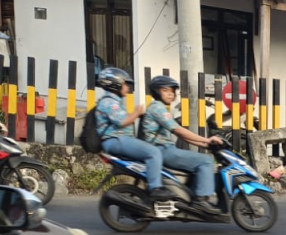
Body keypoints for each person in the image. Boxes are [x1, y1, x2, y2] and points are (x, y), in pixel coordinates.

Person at [141, 75, 222, 216]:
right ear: (157, 91)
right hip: (163, 151)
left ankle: (190, 196)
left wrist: (206, 143)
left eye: (172, 91)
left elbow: (183, 135)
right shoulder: (157, 108)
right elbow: (179, 131)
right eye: (166, 90)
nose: (170, 94)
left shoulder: (160, 108)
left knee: (201, 159)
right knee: (206, 161)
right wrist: (206, 140)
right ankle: (201, 200)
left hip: (165, 149)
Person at [93, 67, 165, 200]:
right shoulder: (109, 103)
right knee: (154, 152)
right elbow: (122, 121)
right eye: (125, 84)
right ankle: (155, 188)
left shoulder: (114, 102)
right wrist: (136, 112)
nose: (128, 88)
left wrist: (138, 115)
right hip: (116, 140)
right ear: (116, 85)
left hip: (119, 140)